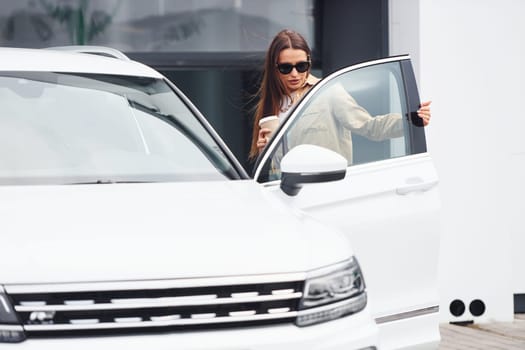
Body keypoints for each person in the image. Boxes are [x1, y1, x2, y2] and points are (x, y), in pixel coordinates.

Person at [249, 29, 432, 161]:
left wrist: (410, 120)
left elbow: (370, 126)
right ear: (275, 69)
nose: (295, 74)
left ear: (309, 63)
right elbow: (279, 165)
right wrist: (266, 152)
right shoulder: (270, 107)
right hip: (285, 195)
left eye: (301, 66)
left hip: (327, 190)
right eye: (286, 68)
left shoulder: (326, 92)